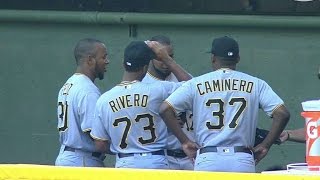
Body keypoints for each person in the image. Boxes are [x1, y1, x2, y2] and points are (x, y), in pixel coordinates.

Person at [159, 36, 290, 173]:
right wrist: (265, 145)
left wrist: (185, 141)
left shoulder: (196, 83)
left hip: (209, 157)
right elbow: (282, 113)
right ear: (238, 58)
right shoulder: (256, 84)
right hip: (241, 158)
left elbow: (165, 109)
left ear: (213, 58)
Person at [90, 40, 191, 169]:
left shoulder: (104, 100)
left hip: (125, 164)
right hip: (155, 162)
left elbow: (100, 145)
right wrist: (166, 59)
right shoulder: (158, 90)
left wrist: (122, 149)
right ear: (145, 67)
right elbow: (191, 86)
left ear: (123, 64)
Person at [142, 35, 195, 170]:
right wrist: (165, 121)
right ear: (150, 58)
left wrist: (167, 59)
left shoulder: (181, 76)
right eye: (160, 58)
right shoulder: (143, 82)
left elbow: (197, 90)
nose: (165, 62)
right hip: (164, 156)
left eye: (170, 56)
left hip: (190, 155)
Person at [55, 38, 109, 167]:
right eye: (103, 57)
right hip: (82, 161)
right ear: (90, 60)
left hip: (67, 157)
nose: (107, 61)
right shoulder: (87, 90)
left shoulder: (68, 84)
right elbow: (96, 137)